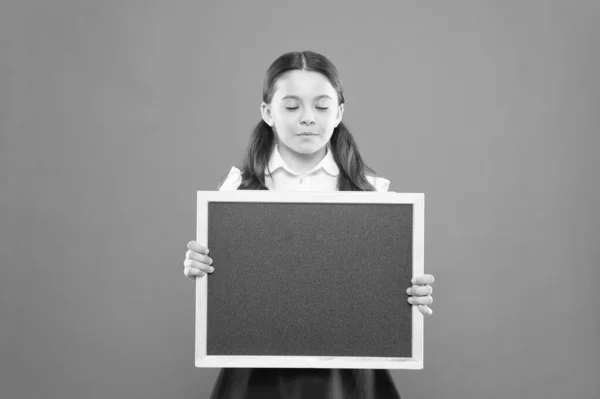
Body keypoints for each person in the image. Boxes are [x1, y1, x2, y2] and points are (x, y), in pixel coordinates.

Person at [183, 50, 435, 399]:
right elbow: (227, 290)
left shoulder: (372, 192)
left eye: (321, 106)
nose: (307, 118)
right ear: (268, 113)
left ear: (339, 113)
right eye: (291, 106)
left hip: (346, 376)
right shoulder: (235, 192)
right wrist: (202, 267)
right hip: (255, 369)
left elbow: (382, 290)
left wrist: (408, 294)